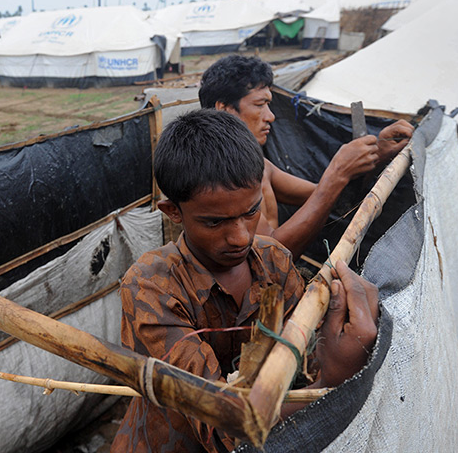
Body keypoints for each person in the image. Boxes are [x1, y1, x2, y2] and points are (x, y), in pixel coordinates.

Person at [111, 109, 379, 452]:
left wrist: (332, 345)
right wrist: (332, 379)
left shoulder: (274, 261)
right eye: (214, 222)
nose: (240, 237)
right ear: (174, 212)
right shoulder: (150, 288)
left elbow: (305, 357)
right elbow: (222, 423)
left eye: (251, 212)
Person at [199, 55, 414, 259]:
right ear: (225, 109)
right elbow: (270, 258)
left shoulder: (262, 166)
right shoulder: (219, 173)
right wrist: (337, 171)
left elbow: (332, 199)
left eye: (269, 105)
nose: (271, 116)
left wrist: (376, 156)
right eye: (259, 105)